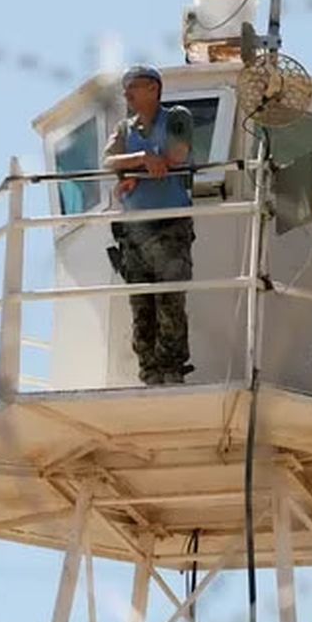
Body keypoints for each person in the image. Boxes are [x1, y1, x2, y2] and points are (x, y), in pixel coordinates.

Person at [104, 64, 196, 385]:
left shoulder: (177, 117)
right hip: (135, 231)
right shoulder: (125, 128)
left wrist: (135, 172)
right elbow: (108, 160)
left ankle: (171, 370)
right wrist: (143, 159)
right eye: (125, 87)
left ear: (154, 89)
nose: (127, 93)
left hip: (169, 225)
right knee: (142, 305)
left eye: (134, 86)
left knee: (169, 301)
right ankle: (150, 372)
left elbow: (178, 154)